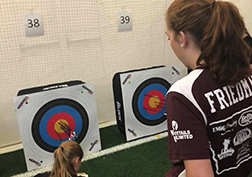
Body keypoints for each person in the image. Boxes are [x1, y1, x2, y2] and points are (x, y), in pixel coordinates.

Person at [164, 0, 252, 177]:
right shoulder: (246, 72)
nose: (170, 43)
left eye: (169, 37)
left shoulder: (182, 94)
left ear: (182, 38)